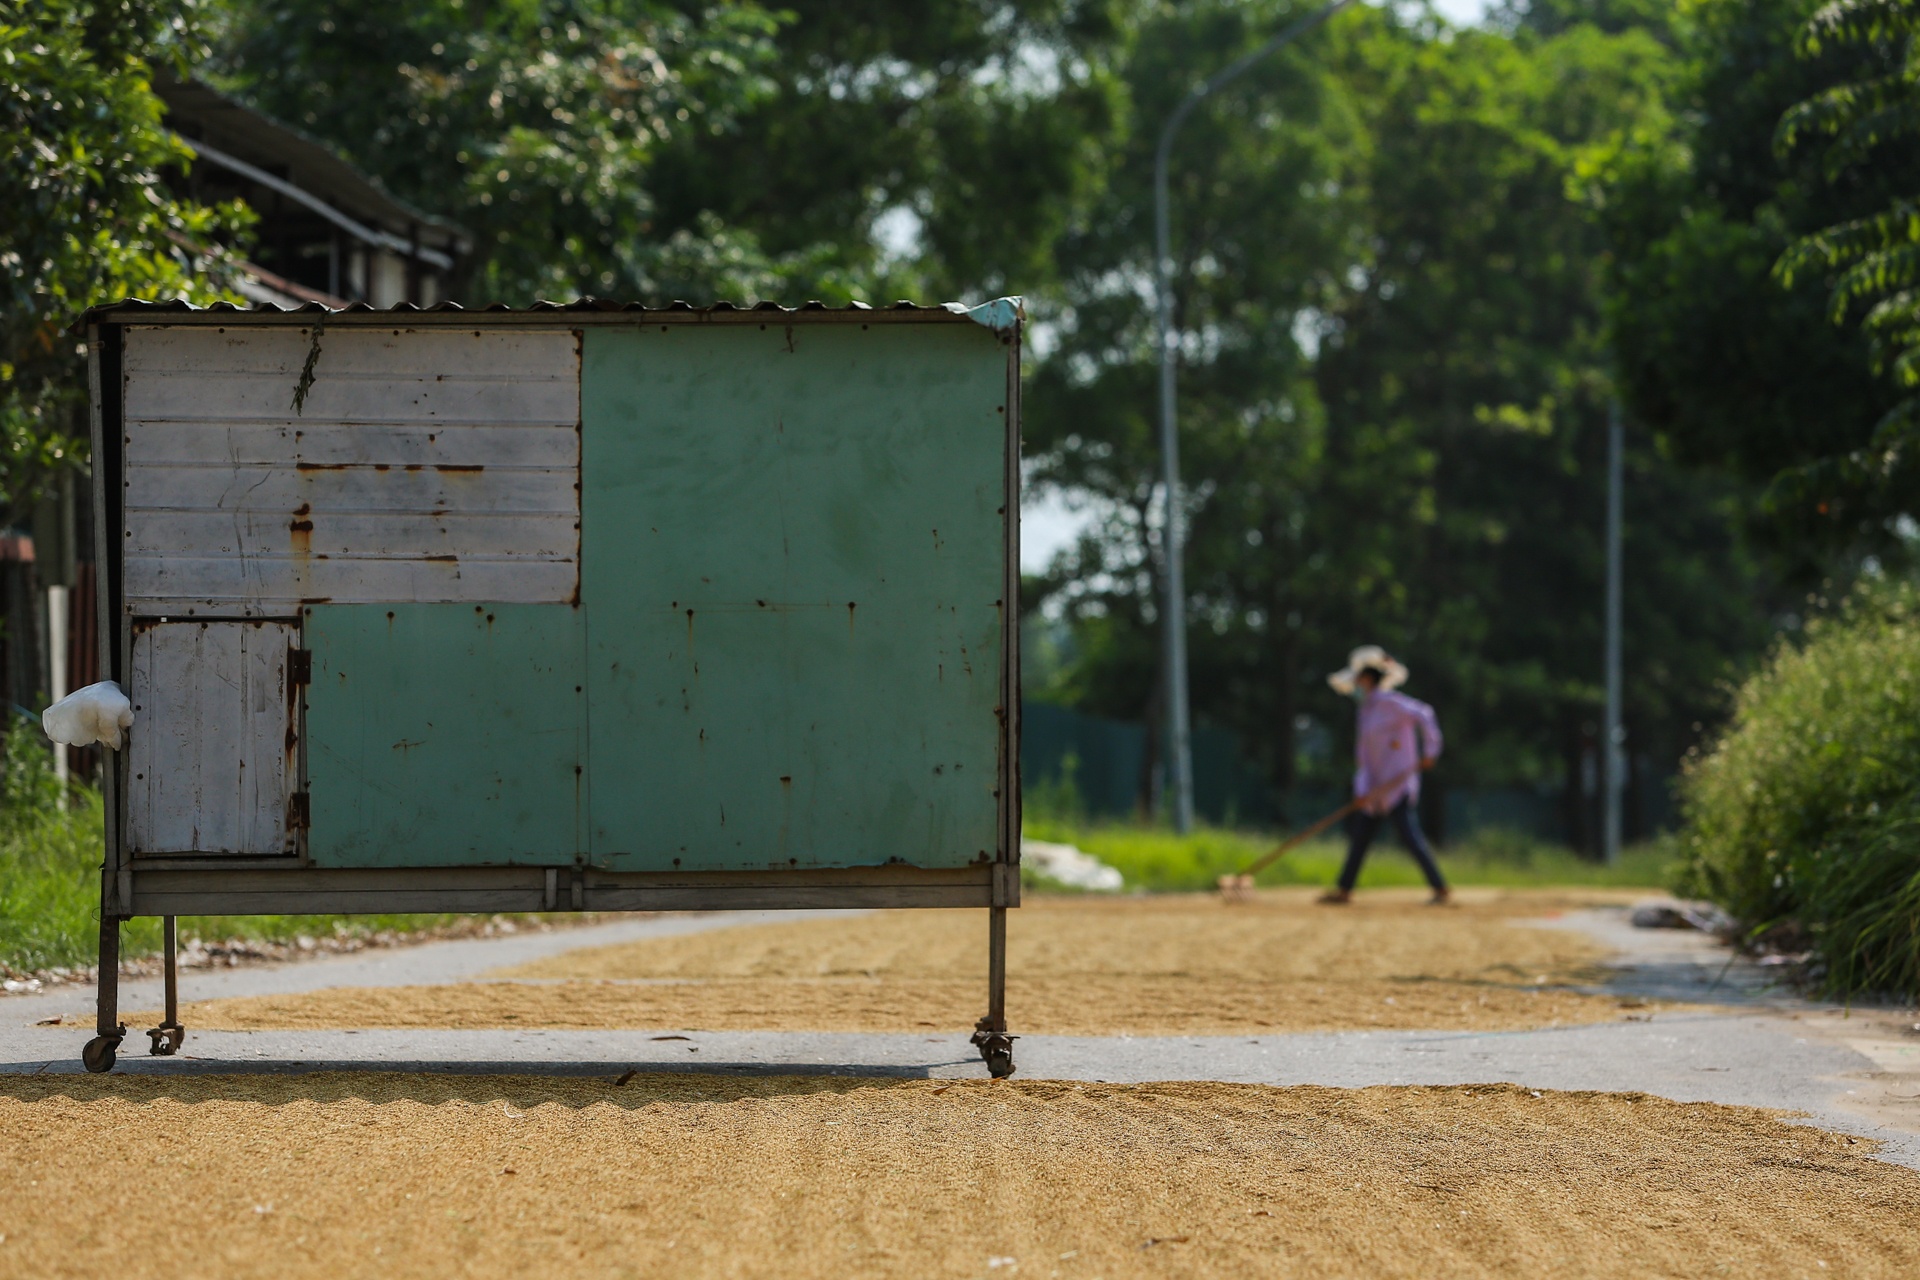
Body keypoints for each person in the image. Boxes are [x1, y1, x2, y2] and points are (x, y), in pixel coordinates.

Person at [1319, 645, 1450, 906]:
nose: (1355, 684)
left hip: (1397, 784)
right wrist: (1362, 787)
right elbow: (1365, 756)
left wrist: (1430, 752)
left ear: (1367, 679)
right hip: (1374, 788)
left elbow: (1425, 715)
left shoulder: (1391, 704)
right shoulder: (1365, 711)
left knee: (1409, 836)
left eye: (1357, 678)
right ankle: (1344, 889)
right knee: (1361, 837)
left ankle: (1440, 888)